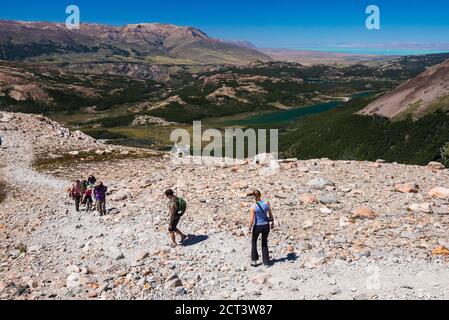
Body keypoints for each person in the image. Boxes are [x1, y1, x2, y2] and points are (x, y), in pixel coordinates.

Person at [248, 190, 275, 267]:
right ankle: (266, 262)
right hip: (266, 225)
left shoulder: (253, 206)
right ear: (260, 195)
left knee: (254, 241)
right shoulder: (266, 203)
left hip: (257, 226)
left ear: (253, 196)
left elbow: (252, 219)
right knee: (264, 242)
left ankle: (254, 261)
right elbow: (270, 214)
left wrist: (249, 228)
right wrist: (272, 223)